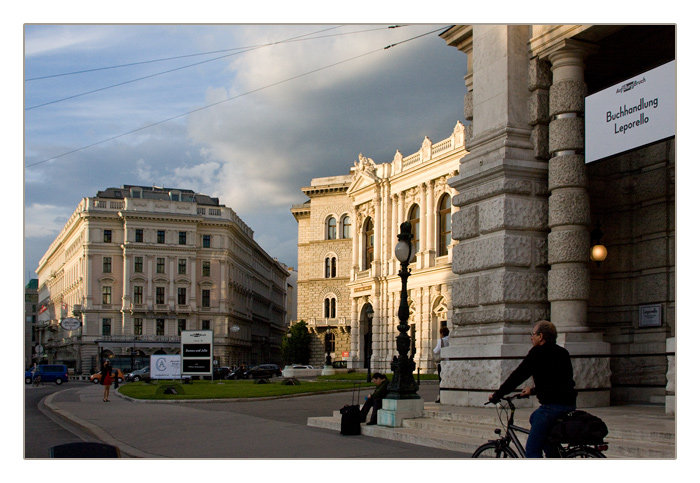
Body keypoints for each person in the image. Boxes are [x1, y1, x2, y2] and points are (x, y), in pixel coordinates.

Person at [489, 320, 577, 458]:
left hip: (552, 407)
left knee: (532, 451)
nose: (531, 337)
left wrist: (498, 394)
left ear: (541, 336)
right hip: (569, 404)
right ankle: (553, 455)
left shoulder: (538, 352)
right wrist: (533, 390)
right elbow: (559, 382)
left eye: (533, 334)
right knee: (534, 418)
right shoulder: (562, 352)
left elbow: (518, 376)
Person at [433, 326, 450, 403]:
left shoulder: (441, 340)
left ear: (442, 333)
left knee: (441, 380)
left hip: (442, 362)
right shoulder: (450, 339)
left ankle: (441, 396)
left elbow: (437, 351)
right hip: (449, 362)